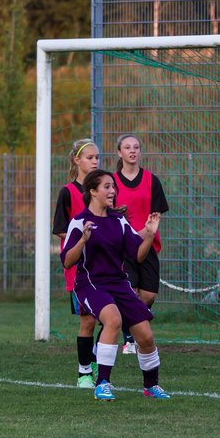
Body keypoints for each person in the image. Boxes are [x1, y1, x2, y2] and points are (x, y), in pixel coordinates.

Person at [60, 169, 167, 401]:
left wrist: (149, 234)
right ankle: (102, 383)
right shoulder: (79, 222)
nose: (113, 191)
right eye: (107, 187)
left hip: (119, 283)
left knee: (146, 336)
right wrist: (83, 240)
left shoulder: (118, 220)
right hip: (90, 283)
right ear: (92, 191)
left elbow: (137, 255)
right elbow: (67, 261)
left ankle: (151, 386)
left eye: (113, 187)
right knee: (113, 319)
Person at [114, 134, 171, 354]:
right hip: (122, 246)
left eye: (136, 147)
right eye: (127, 147)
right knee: (130, 290)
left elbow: (156, 214)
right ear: (119, 152)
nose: (132, 150)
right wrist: (129, 234)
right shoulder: (112, 182)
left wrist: (145, 232)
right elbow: (110, 214)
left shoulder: (151, 180)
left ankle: (132, 326)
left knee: (148, 295)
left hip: (147, 243)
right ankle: (130, 337)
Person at [52, 138, 101, 389]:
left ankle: (94, 357)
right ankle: (84, 373)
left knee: (114, 316)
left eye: (97, 158)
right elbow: (60, 229)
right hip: (78, 264)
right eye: (89, 157)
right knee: (88, 320)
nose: (94, 161)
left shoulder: (103, 187)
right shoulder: (68, 192)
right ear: (77, 160)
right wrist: (82, 239)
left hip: (104, 263)